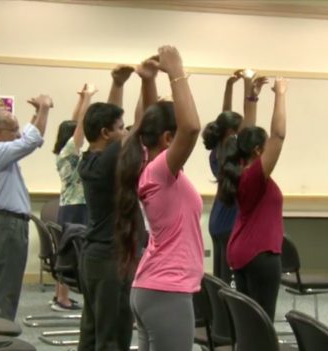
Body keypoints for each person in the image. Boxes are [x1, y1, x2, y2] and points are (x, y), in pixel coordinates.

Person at [117, 45, 202, 351]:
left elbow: (146, 121)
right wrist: (177, 70)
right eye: (175, 137)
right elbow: (191, 128)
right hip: (167, 290)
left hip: (151, 289)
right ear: (168, 139)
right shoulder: (159, 172)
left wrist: (148, 80)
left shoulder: (145, 165)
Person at [78, 58, 157, 350]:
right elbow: (145, 125)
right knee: (113, 334)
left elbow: (109, 123)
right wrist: (147, 81)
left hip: (95, 256)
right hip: (110, 258)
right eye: (120, 128)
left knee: (93, 329)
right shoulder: (109, 158)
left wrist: (118, 84)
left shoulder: (91, 158)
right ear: (106, 134)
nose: (126, 132)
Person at [217, 76, 288, 321]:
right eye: (265, 146)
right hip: (260, 254)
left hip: (242, 251)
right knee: (262, 321)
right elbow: (279, 135)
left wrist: (252, 95)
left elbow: (245, 132)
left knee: (249, 321)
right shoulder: (254, 177)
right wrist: (280, 94)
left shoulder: (239, 166)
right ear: (258, 151)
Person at [0, 95, 53, 320]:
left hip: (3, 223)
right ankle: (0, 336)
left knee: (2, 283)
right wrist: (44, 109)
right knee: (6, 287)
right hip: (6, 224)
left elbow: (31, 138)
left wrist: (37, 113)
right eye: (13, 130)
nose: (17, 134)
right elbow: (30, 141)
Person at [202, 69, 268, 284]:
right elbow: (249, 125)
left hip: (218, 221)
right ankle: (228, 315)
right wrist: (249, 85)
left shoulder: (219, 150)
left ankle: (221, 315)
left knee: (221, 278)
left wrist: (230, 86)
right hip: (229, 222)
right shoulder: (232, 152)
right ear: (231, 133)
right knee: (231, 280)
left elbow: (225, 115)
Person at [51, 83, 97, 311]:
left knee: (68, 249)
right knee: (73, 252)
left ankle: (61, 295)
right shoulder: (70, 151)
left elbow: (75, 124)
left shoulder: (65, 152)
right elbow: (80, 126)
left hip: (70, 206)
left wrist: (80, 100)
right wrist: (87, 99)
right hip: (76, 207)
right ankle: (62, 298)